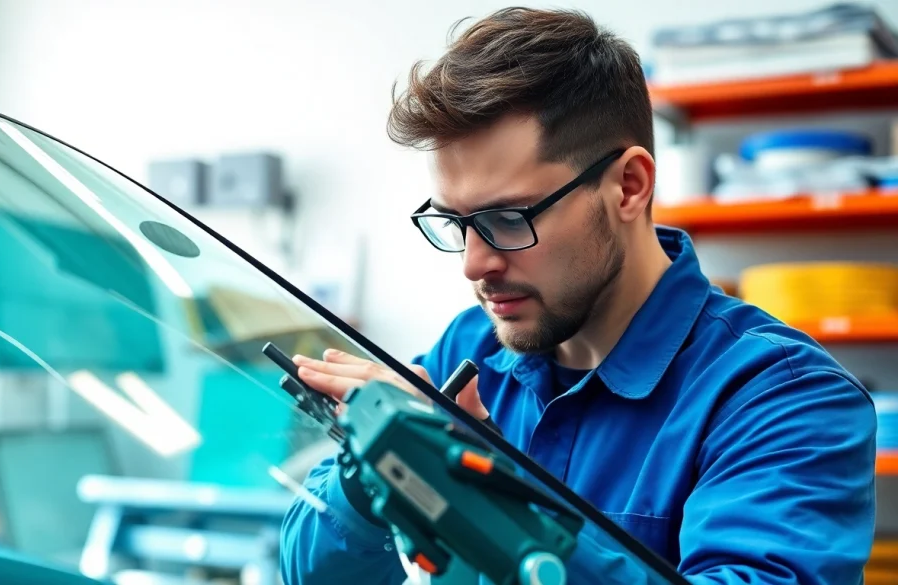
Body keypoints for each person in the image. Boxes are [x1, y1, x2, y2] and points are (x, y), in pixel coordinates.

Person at [279, 7, 876, 585]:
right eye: (455, 222)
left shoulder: (783, 399)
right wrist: (370, 469)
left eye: (508, 218)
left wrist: (474, 490)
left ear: (629, 187)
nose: (473, 264)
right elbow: (309, 573)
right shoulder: (470, 348)